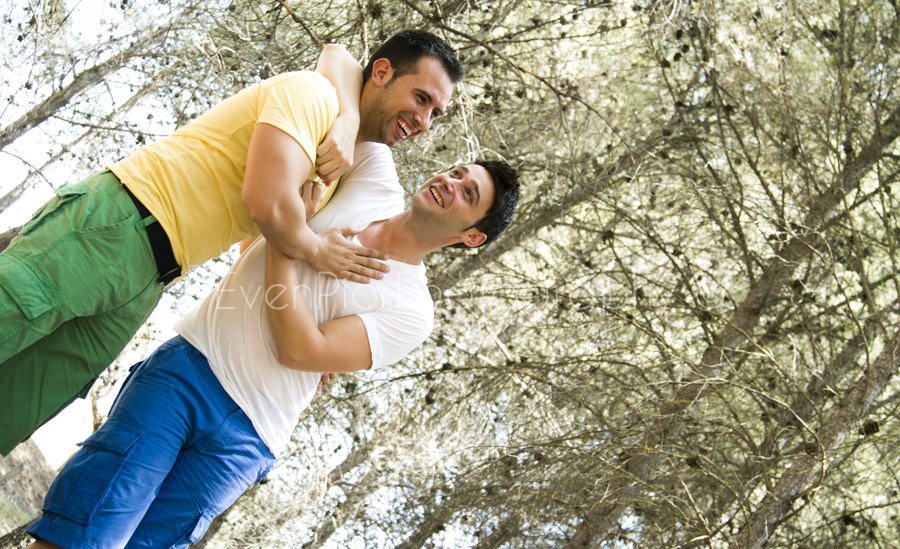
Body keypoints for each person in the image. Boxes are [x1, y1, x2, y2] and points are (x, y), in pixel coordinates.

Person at [25, 142, 520, 548]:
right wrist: (302, 236)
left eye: (466, 191)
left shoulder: (412, 309)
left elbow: (301, 351)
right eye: (456, 172)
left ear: (472, 237)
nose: (449, 183)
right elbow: (341, 65)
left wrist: (292, 239)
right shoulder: (374, 177)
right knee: (82, 529)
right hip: (189, 371)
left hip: (248, 439)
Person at [0, 29, 464, 455]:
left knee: (20, 403)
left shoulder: (347, 162)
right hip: (121, 224)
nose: (423, 120)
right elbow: (268, 203)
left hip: (153, 277)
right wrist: (315, 247)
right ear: (381, 72)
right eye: (420, 98)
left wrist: (325, 343)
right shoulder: (315, 95)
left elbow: (259, 244)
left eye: (435, 113)